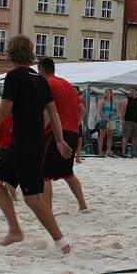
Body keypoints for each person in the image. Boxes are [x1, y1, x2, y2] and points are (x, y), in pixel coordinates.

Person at [0, 35, 72, 253]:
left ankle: (61, 242)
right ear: (30, 53)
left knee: (33, 198)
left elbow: (4, 110)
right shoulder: (40, 80)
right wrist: (60, 140)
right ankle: (15, 230)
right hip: (27, 143)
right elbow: (53, 113)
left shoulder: (15, 76)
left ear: (11, 52)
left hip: (25, 145)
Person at [38, 58, 88, 212]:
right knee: (67, 173)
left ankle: (47, 210)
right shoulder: (68, 85)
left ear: (41, 70)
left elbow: (47, 111)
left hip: (56, 132)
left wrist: (39, 132)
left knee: (44, 173)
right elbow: (82, 109)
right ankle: (83, 206)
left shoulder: (47, 84)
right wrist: (75, 124)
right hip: (73, 132)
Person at [120, 86, 137, 157]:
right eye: (131, 90)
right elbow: (122, 110)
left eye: (133, 90)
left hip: (136, 121)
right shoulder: (127, 99)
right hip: (128, 120)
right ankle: (123, 152)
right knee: (126, 136)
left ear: (136, 91)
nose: (132, 92)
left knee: (135, 137)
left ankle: (134, 152)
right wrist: (122, 119)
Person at [96, 88, 117, 156]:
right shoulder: (102, 100)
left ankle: (108, 150)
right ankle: (100, 151)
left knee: (110, 136)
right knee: (102, 136)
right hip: (104, 120)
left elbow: (116, 111)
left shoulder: (113, 101)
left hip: (112, 120)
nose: (108, 94)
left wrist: (113, 113)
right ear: (105, 93)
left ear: (111, 94)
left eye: (109, 93)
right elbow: (99, 110)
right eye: (106, 93)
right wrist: (106, 118)